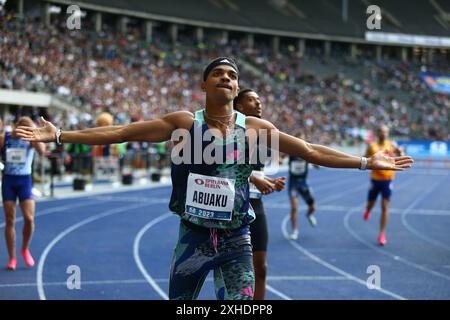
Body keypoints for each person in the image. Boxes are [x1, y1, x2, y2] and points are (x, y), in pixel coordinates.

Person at [17, 57, 414, 299]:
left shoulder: (257, 127)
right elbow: (122, 132)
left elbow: (310, 151)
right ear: (204, 84)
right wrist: (61, 135)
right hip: (191, 237)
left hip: (236, 237)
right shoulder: (183, 123)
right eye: (219, 73)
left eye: (233, 75)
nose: (227, 78)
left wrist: (366, 161)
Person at [233, 88, 286, 300]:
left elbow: (254, 171)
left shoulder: (263, 135)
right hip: (234, 207)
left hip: (256, 205)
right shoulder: (232, 132)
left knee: (261, 267)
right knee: (235, 271)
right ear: (239, 106)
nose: (258, 103)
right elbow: (226, 168)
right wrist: (255, 180)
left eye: (259, 100)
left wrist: (270, 182)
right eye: (252, 100)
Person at [0, 117, 46, 270]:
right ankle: (12, 257)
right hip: (9, 181)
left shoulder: (31, 139)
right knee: (10, 220)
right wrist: (10, 135)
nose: (25, 130)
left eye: (29, 128)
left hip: (24, 181)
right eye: (23, 127)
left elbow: (42, 152)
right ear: (16, 127)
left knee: (29, 218)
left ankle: (24, 248)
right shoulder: (5, 138)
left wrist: (34, 136)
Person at [363, 125, 404, 246]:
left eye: (385, 132)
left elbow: (402, 156)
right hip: (375, 180)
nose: (383, 133)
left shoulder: (391, 145)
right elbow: (364, 159)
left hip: (387, 180)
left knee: (385, 207)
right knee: (370, 203)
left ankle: (381, 234)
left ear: (387, 133)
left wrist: (400, 151)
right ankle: (368, 210)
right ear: (377, 133)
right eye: (381, 131)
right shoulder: (372, 146)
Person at [288, 132, 319, 240]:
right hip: (293, 183)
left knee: (313, 207)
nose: (300, 142)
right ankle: (295, 231)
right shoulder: (291, 151)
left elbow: (317, 164)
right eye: (298, 139)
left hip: (304, 183)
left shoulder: (307, 153)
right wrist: (279, 158)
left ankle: (309, 215)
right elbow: (280, 154)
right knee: (294, 207)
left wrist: (316, 163)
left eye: (302, 140)